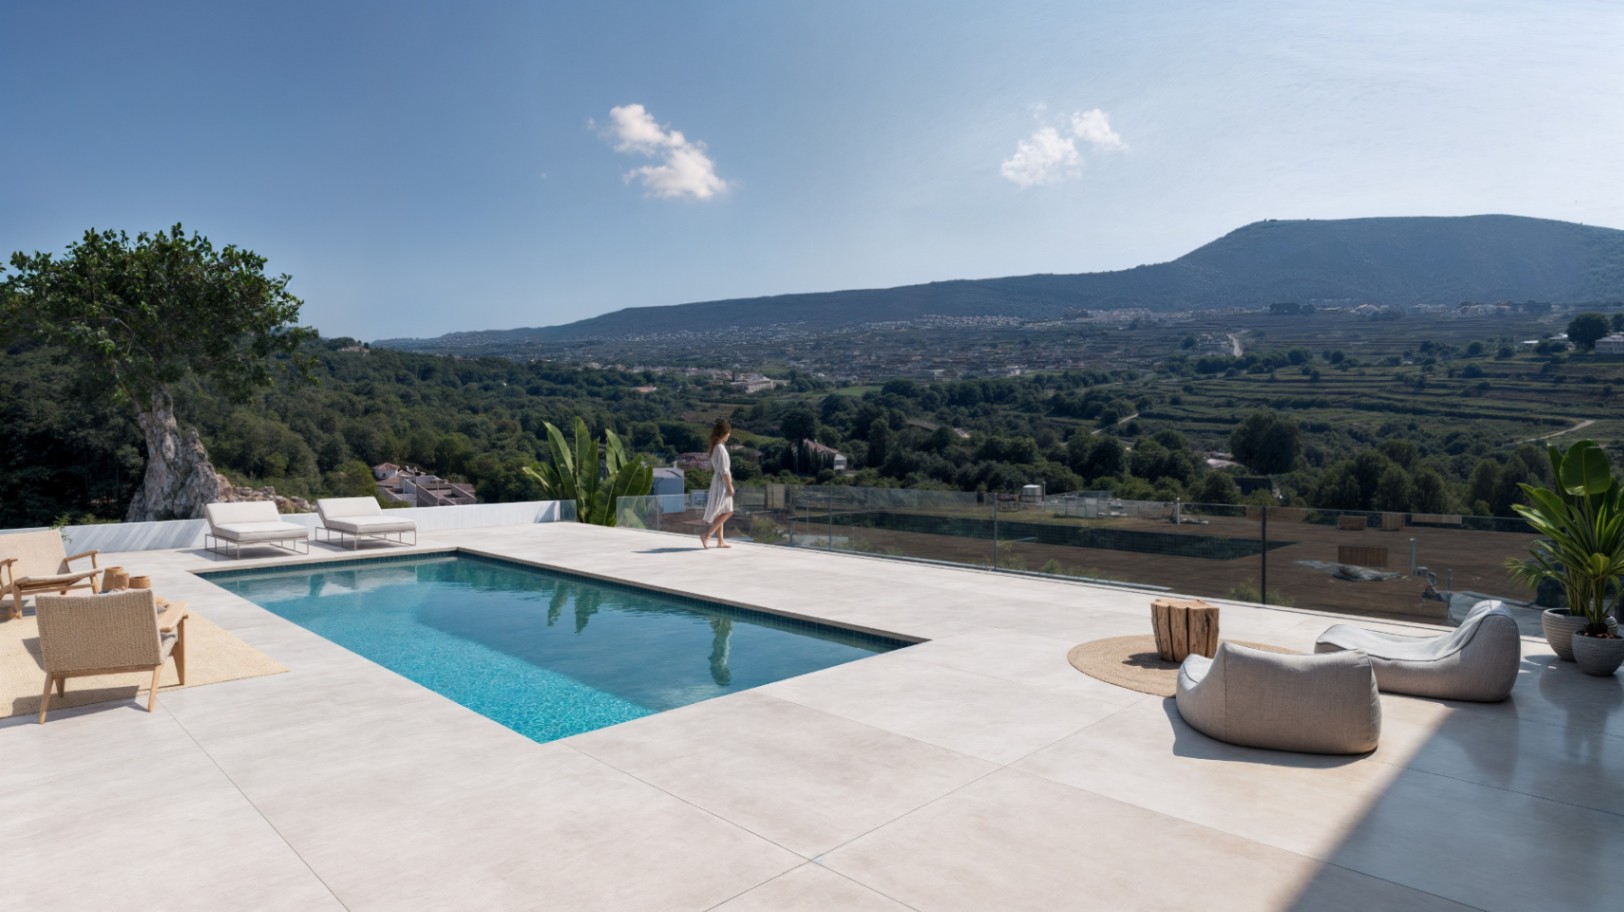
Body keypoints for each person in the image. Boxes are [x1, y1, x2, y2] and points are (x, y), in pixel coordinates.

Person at [699, 418, 735, 549]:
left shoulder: (717, 447)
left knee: (721, 512)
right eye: (728, 432)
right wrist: (729, 486)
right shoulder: (720, 448)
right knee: (728, 512)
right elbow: (724, 470)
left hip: (718, 481)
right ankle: (707, 535)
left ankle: (720, 541)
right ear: (724, 433)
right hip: (722, 482)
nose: (729, 435)